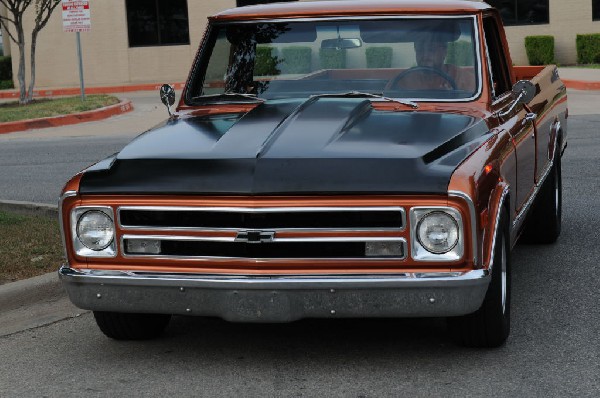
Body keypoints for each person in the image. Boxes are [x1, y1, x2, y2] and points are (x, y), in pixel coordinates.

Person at [392, 36, 476, 92]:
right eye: (420, 50)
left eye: (431, 49)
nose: (425, 55)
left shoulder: (461, 77)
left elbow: (476, 106)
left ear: (444, 52)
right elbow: (388, 102)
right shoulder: (403, 79)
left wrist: (453, 96)